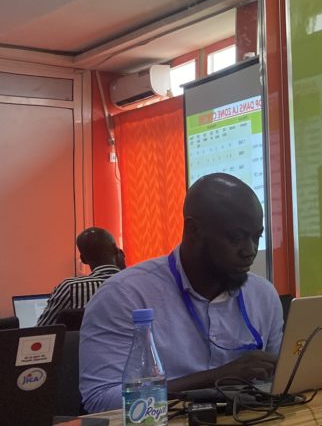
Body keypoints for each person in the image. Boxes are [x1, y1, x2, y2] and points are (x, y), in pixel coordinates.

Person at [80, 173, 283, 413]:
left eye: (257, 237)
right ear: (193, 229)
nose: (250, 251)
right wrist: (215, 378)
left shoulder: (263, 295)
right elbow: (102, 400)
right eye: (237, 237)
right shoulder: (125, 295)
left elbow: (282, 382)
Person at [37, 227, 126, 327]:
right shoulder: (134, 284)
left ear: (83, 260)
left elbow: (42, 331)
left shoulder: (70, 287)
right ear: (116, 250)